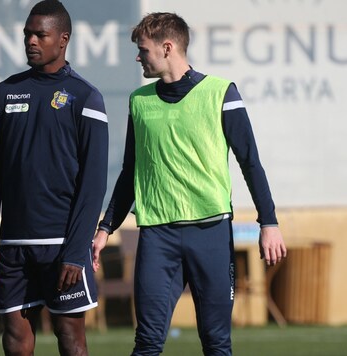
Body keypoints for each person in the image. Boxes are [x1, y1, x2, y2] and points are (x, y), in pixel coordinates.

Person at [91, 12, 287, 356]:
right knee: (147, 342)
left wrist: (268, 222)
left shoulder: (221, 93)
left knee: (216, 343)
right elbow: (129, 172)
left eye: (143, 50)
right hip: (157, 237)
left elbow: (250, 163)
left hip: (210, 233)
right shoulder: (139, 101)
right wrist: (106, 227)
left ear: (167, 48)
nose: (138, 57)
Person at [0, 1, 109, 355]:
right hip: (13, 245)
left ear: (62, 39)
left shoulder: (86, 97)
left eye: (40, 34)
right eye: (27, 34)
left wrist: (77, 250)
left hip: (62, 243)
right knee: (16, 341)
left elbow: (93, 185)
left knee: (70, 339)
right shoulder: (4, 94)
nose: (30, 41)